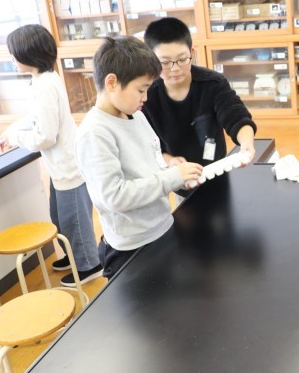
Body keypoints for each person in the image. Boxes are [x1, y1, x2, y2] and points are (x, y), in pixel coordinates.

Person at [75, 36, 203, 279]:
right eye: (141, 90)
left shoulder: (135, 114)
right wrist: (170, 179)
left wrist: (173, 172)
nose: (145, 98)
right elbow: (115, 196)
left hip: (161, 228)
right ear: (112, 82)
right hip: (131, 247)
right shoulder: (95, 133)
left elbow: (151, 163)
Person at [0, 24, 102, 287]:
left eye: (14, 53)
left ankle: (90, 265)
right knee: (59, 217)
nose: (12, 58)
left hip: (68, 166)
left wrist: (16, 138)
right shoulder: (41, 79)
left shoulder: (45, 85)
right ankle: (75, 257)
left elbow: (46, 136)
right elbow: (34, 117)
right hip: (60, 166)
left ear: (29, 54)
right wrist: (10, 131)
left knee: (73, 220)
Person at [142, 17, 257, 197]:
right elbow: (147, 146)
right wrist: (170, 160)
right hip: (179, 180)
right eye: (165, 62)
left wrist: (246, 143)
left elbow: (236, 117)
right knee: (187, 211)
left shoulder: (213, 83)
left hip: (217, 171)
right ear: (151, 60)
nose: (175, 68)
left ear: (192, 53)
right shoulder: (146, 96)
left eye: (182, 59)